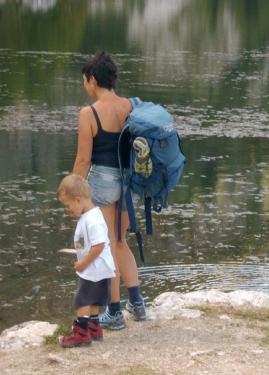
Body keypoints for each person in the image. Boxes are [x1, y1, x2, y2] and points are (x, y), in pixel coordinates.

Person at [72, 51, 146, 329]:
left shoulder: (88, 113)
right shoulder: (131, 106)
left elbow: (82, 159)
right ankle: (137, 304)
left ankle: (114, 311)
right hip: (130, 182)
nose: (85, 86)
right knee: (120, 240)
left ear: (92, 80)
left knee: (105, 247)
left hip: (102, 182)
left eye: (85, 81)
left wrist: (73, 193)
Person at [57, 174, 116, 347]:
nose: (68, 210)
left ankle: (81, 333)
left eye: (68, 206)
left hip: (94, 268)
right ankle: (94, 326)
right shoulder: (90, 216)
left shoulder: (93, 220)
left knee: (82, 300)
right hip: (99, 268)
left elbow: (99, 245)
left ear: (78, 199)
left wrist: (83, 263)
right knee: (94, 299)